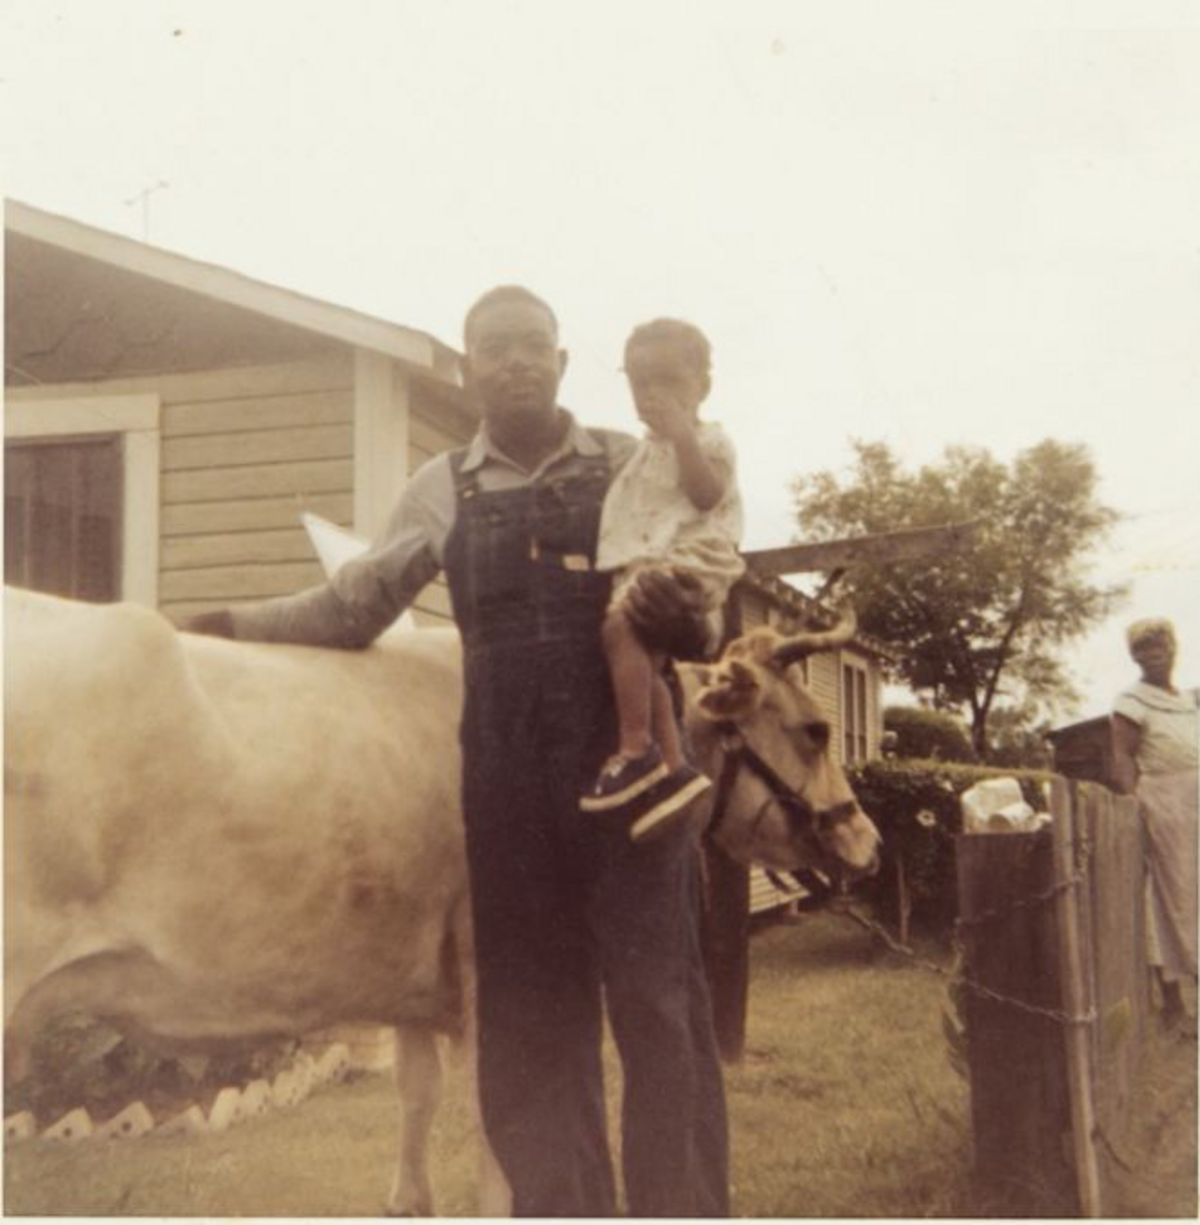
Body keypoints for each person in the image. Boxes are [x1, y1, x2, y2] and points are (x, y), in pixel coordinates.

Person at [186, 285, 729, 1217]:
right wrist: (218, 624)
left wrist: (695, 620)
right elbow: (350, 609)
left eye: (532, 346)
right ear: (470, 368)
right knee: (529, 1027)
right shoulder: (441, 487)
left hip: (636, 782)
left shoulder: (630, 462)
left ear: (561, 361)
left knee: (661, 1013)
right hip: (509, 789)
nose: (514, 361)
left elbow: (707, 611)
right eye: (493, 348)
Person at [580, 318, 745, 842]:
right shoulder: (641, 450)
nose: (653, 393)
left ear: (703, 386)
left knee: (617, 631)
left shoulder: (707, 441)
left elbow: (704, 495)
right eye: (640, 381)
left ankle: (635, 749)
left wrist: (682, 437)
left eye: (669, 381)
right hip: (657, 559)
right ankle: (672, 767)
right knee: (641, 656)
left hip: (689, 559)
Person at [1111, 618, 1199, 1031]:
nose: (1153, 654)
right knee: (1172, 896)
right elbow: (1124, 757)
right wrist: (1131, 805)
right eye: (1142, 649)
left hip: (1196, 801)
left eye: (1158, 645)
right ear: (1134, 657)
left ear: (1173, 646)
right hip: (1164, 805)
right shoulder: (1132, 700)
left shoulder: (1186, 700)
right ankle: (1174, 1003)